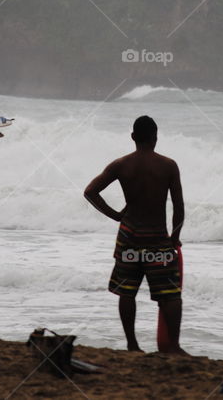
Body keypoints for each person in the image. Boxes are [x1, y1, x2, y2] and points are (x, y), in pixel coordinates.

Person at [84, 115, 186, 354]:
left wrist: (116, 215)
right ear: (155, 137)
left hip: (129, 237)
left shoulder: (121, 165)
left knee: (127, 291)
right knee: (170, 294)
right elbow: (179, 206)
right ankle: (173, 347)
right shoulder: (168, 165)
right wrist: (175, 236)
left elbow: (90, 192)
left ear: (133, 137)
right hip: (158, 240)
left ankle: (132, 345)